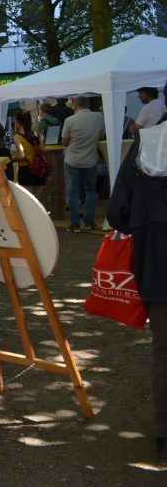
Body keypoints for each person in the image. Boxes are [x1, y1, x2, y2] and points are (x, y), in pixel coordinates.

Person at [106, 113, 167, 461]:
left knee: (164, 352)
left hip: (158, 264)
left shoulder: (147, 142)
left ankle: (164, 434)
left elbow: (118, 211)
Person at [61, 95, 105, 232]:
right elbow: (102, 137)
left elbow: (64, 142)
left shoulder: (69, 120)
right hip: (91, 159)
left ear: (75, 105)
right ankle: (89, 220)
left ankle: (75, 223)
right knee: (91, 191)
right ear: (89, 105)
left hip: (73, 160)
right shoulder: (99, 117)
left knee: (73, 192)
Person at [12, 109, 45, 200]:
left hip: (25, 170)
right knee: (38, 201)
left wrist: (13, 158)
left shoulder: (17, 136)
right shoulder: (36, 135)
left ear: (18, 122)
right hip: (38, 169)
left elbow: (21, 155)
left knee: (28, 201)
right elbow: (42, 150)